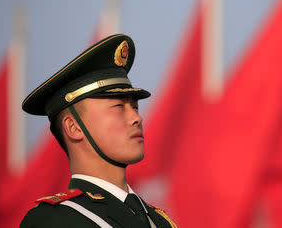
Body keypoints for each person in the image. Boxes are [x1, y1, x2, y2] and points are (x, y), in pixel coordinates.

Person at [20, 34, 176, 228]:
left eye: (135, 107)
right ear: (73, 127)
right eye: (119, 107)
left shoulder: (160, 221)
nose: (137, 118)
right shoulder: (53, 221)